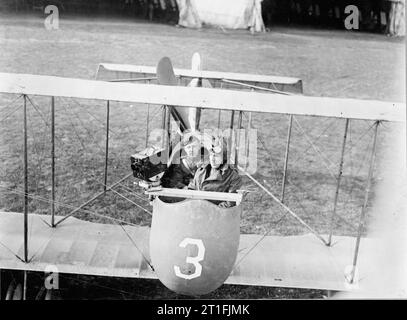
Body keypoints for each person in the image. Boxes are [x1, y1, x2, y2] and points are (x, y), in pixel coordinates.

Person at [188, 136, 242, 208]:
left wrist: (210, 210)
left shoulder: (232, 176)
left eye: (216, 156)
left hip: (215, 215)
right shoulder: (201, 170)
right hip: (195, 212)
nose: (212, 159)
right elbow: (190, 191)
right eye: (211, 155)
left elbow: (230, 203)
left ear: (224, 156)